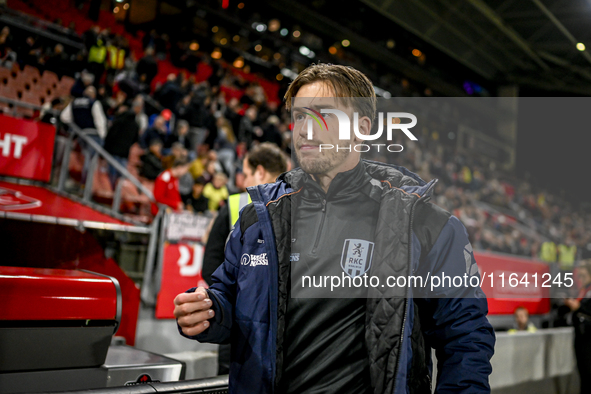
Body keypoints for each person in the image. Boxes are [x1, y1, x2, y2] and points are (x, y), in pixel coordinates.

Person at [174, 64, 495, 393]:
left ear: (362, 128)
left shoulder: (422, 222)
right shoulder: (259, 216)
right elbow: (230, 299)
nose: (305, 129)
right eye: (299, 116)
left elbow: (465, 337)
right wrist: (209, 312)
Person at [201, 142, 288, 376]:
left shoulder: (291, 208)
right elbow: (211, 265)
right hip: (243, 326)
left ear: (260, 172)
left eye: (247, 174)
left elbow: (209, 263)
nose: (244, 182)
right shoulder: (236, 204)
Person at [60, 85, 107, 183]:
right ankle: (85, 184)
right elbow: (100, 121)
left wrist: (75, 125)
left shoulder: (75, 102)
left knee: (84, 158)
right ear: (93, 95)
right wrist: (103, 138)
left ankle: (80, 183)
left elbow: (64, 117)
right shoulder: (94, 103)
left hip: (81, 134)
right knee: (90, 161)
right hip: (93, 136)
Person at [565, 260, 591, 394]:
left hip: (588, 338)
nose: (580, 279)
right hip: (580, 337)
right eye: (579, 276)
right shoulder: (582, 290)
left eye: (583, 275)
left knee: (588, 374)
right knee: (583, 374)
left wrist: (579, 307)